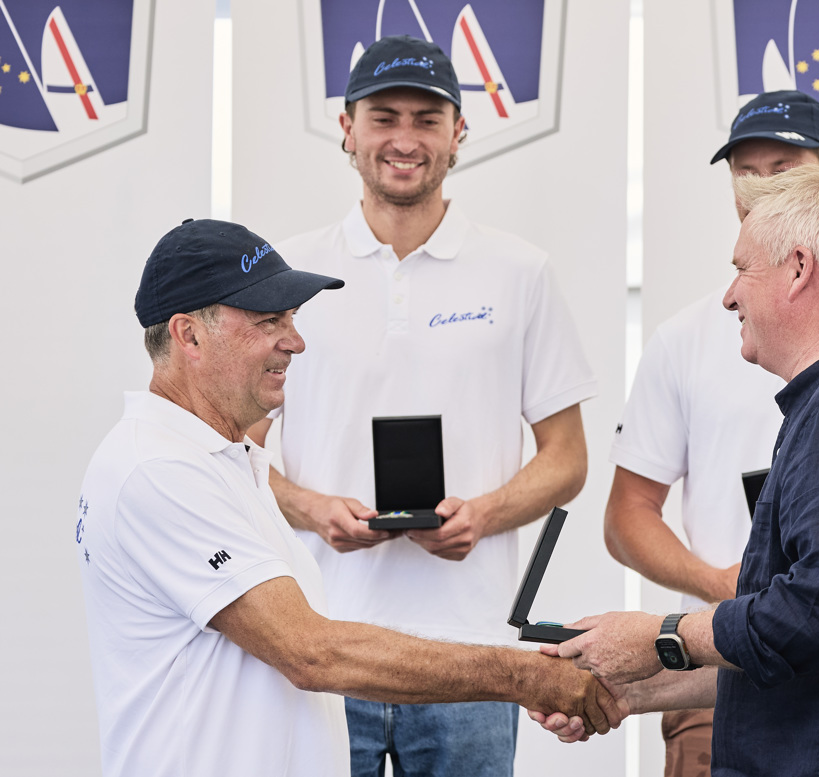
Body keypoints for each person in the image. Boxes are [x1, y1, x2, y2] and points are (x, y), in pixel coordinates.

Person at [74, 219, 622, 777]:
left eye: (292, 318)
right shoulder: (162, 470)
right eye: (270, 321)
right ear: (188, 335)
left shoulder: (216, 461)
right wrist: (525, 676)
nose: (296, 340)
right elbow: (311, 651)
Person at [536, 164, 819, 776]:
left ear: (799, 269)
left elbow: (817, 618)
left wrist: (658, 634)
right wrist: (634, 688)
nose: (729, 294)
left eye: (741, 268)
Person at [246, 35, 597, 776]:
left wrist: (487, 512)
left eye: (427, 118)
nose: (405, 138)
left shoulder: (520, 272)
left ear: (457, 134)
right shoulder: (289, 274)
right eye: (384, 116)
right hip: (322, 645)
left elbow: (568, 457)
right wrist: (311, 508)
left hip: (470, 652)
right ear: (347, 128)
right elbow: (238, 453)